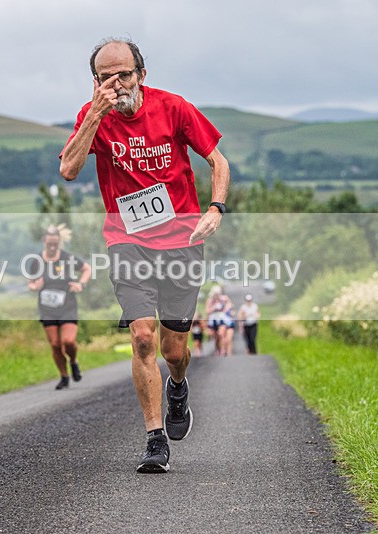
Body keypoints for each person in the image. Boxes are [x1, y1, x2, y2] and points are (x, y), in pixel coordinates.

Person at [60, 38, 230, 473]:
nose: (116, 84)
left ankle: (178, 386)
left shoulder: (173, 108)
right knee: (141, 338)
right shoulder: (92, 116)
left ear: (141, 74)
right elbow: (69, 170)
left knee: (174, 350)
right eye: (105, 78)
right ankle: (155, 440)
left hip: (181, 243)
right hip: (127, 241)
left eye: (124, 75)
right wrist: (94, 115)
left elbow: (218, 161)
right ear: (95, 81)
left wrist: (215, 208)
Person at [26, 225, 92, 390]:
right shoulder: (36, 261)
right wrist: (35, 286)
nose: (52, 246)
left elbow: (86, 269)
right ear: (44, 241)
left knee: (68, 341)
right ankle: (64, 376)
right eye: (50, 243)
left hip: (67, 306)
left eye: (55, 243)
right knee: (55, 344)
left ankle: (73, 361)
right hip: (47, 309)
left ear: (59, 242)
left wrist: (81, 284)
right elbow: (30, 283)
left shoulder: (68, 258)